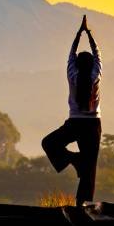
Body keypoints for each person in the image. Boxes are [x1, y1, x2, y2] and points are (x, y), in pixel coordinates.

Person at [42, 15, 102, 207]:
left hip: (75, 123)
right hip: (93, 125)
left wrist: (79, 33)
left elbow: (71, 54)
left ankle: (73, 160)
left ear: (76, 64)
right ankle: (82, 206)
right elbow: (98, 54)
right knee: (89, 168)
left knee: (49, 143)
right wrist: (89, 33)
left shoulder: (72, 75)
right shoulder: (96, 76)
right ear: (92, 64)